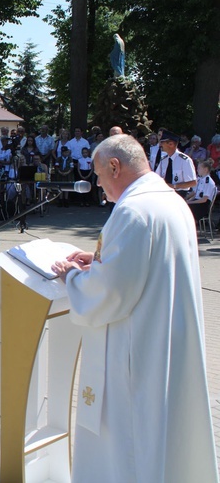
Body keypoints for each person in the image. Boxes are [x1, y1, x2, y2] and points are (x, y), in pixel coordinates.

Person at [51, 134, 218, 483]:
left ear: (115, 166)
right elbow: (141, 265)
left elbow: (110, 293)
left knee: (128, 447)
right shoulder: (170, 201)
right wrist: (97, 261)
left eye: (99, 174)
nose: (98, 183)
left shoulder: (132, 211)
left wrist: (73, 278)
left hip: (134, 353)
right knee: (164, 441)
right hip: (165, 342)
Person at [154, 129, 197, 196]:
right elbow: (157, 176)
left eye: (162, 142)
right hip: (165, 194)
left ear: (171, 144)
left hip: (179, 195)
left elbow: (193, 183)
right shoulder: (163, 160)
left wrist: (174, 186)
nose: (160, 145)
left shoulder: (185, 160)